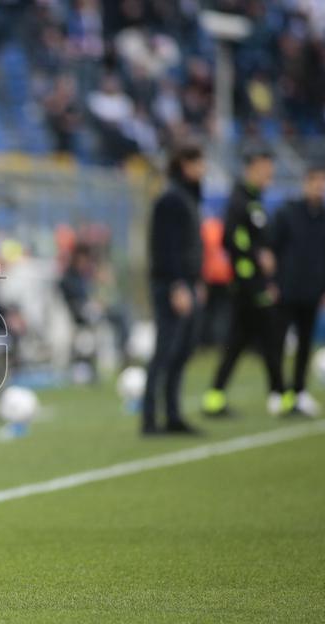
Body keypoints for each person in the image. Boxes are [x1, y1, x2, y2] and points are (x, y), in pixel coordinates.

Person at [202, 147, 293, 418]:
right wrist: (257, 259)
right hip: (248, 285)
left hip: (252, 283)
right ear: (252, 168)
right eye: (265, 167)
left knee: (242, 340)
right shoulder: (240, 200)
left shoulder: (254, 199)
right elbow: (231, 238)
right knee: (268, 337)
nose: (270, 173)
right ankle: (281, 395)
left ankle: (216, 396)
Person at [142, 143, 205, 436]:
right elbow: (166, 249)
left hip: (187, 283)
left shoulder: (188, 198)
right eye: (197, 163)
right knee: (165, 351)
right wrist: (178, 284)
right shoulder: (170, 200)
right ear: (184, 164)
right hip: (171, 285)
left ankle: (173, 415)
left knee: (182, 351)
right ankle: (150, 419)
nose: (202, 169)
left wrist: (197, 281)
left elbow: (191, 247)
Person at [270, 164, 325, 416]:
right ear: (305, 183)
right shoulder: (288, 213)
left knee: (306, 343)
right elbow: (272, 249)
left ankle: (299, 390)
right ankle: (277, 391)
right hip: (286, 289)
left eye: (323, 181)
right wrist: (272, 282)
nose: (320, 186)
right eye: (315, 181)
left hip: (312, 291)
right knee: (278, 343)